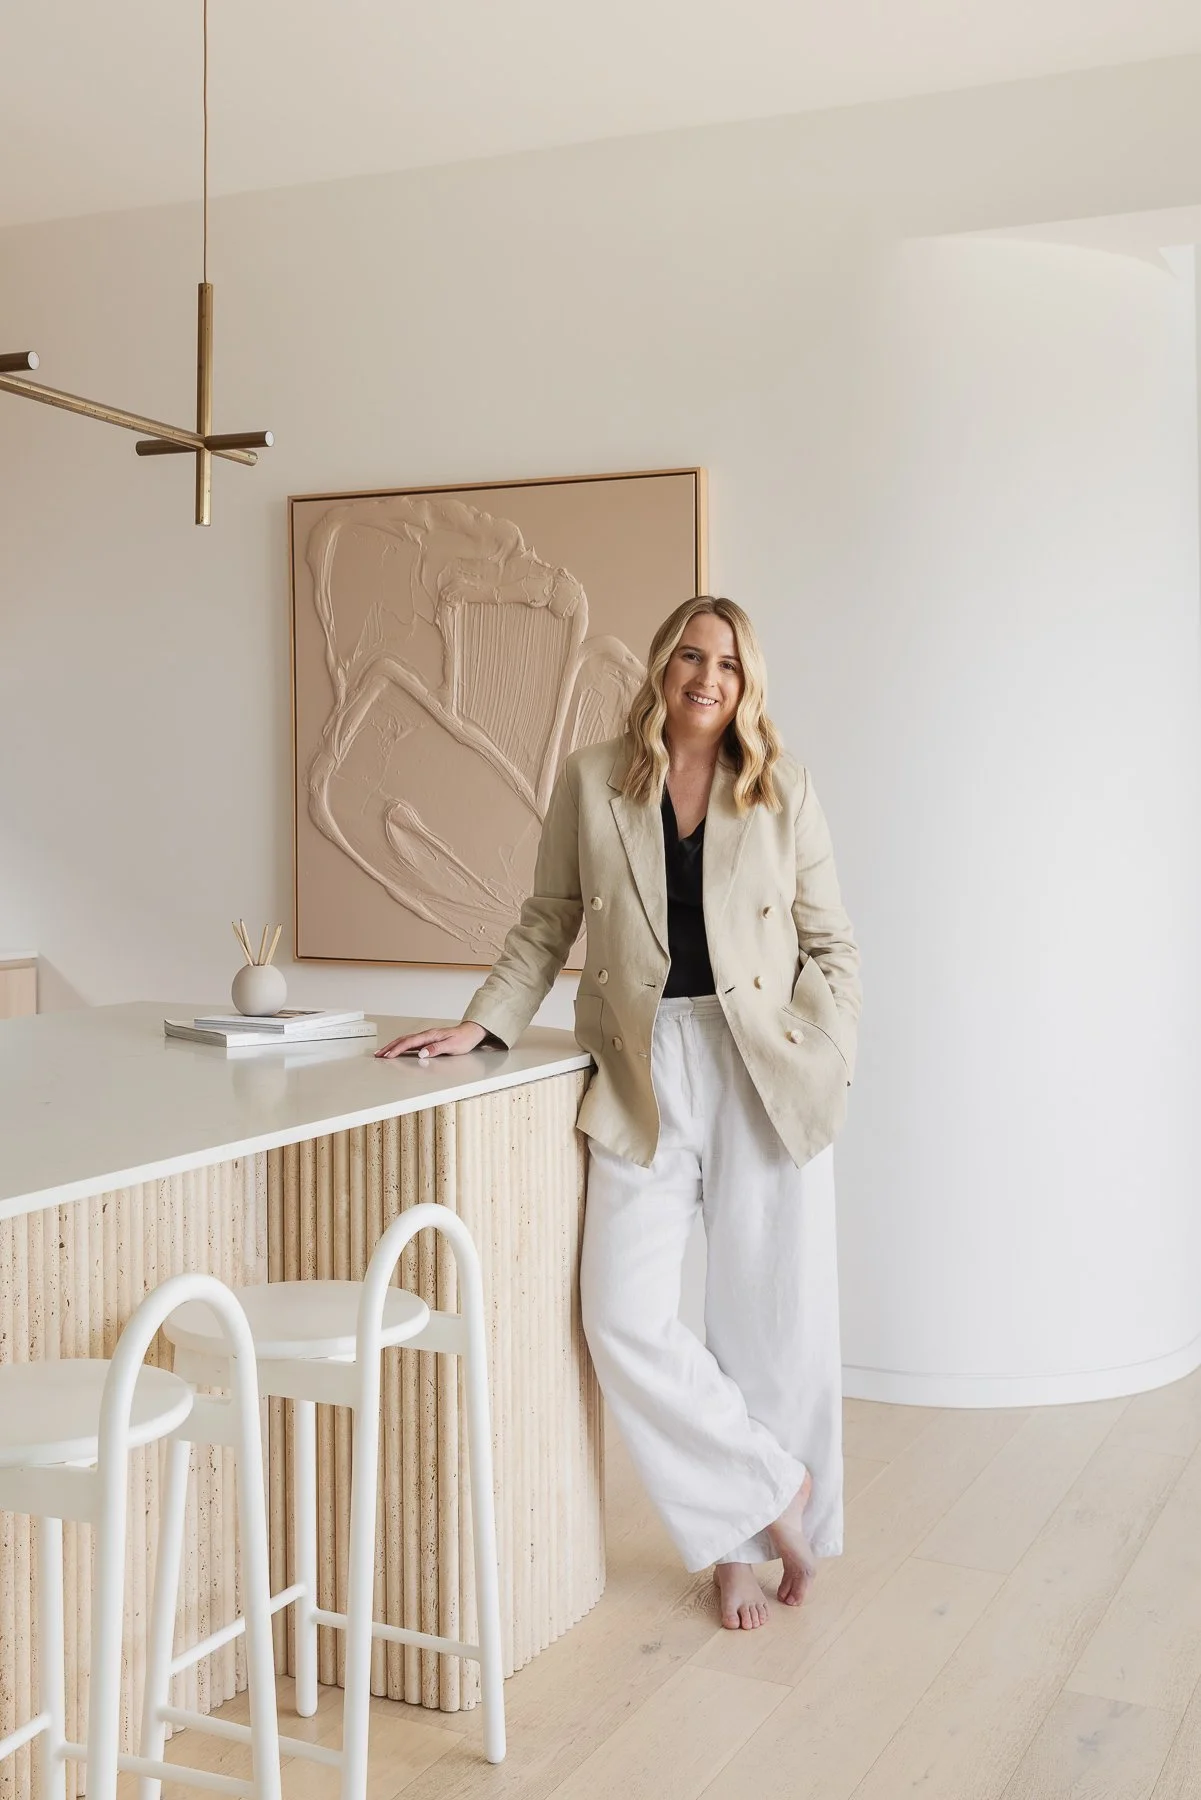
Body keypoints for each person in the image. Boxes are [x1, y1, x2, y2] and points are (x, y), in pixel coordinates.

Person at [377, 596, 861, 1632]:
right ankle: (772, 1490)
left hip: (761, 1064)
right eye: (691, 654)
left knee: (770, 1318)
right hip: (640, 1064)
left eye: (728, 664)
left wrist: (826, 1054)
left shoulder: (780, 790)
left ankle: (739, 1554)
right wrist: (485, 1022)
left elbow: (834, 947)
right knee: (620, 1315)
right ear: (660, 664)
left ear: (746, 685)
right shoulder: (594, 779)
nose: (706, 676)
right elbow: (548, 917)